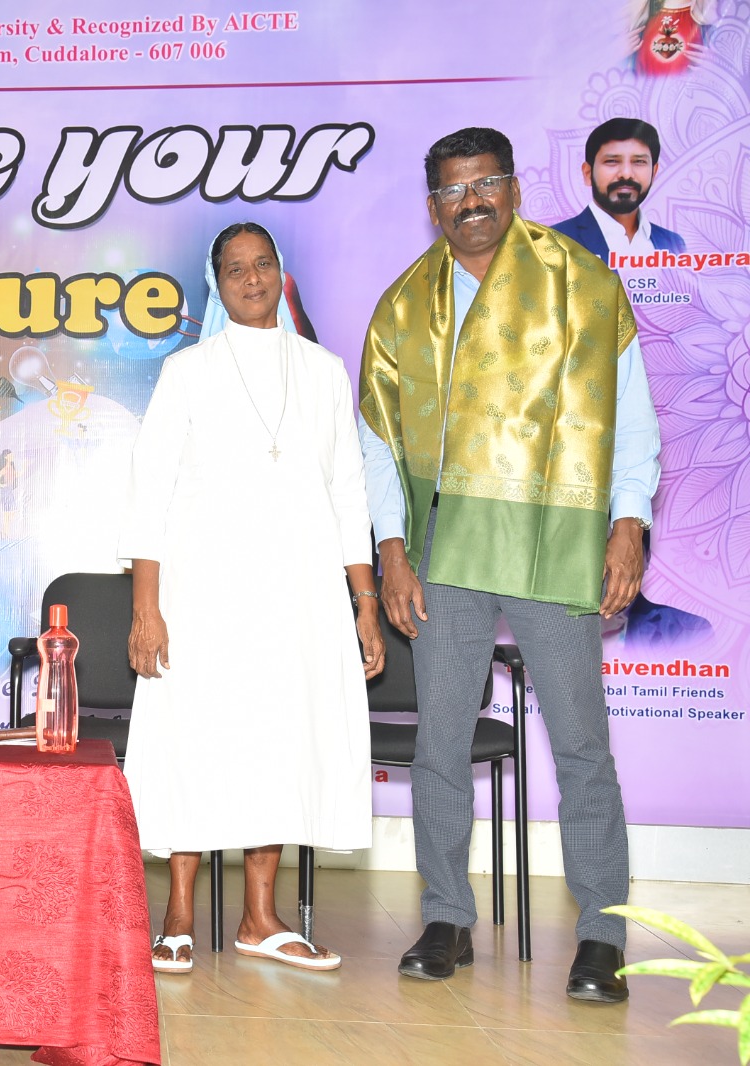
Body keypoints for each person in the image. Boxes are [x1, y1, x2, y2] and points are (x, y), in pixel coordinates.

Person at [359, 127, 661, 1002]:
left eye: (486, 183)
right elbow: (378, 443)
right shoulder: (403, 305)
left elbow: (631, 418)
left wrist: (630, 524)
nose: (473, 202)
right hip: (446, 550)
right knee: (440, 744)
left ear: (515, 188)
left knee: (581, 745)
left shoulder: (583, 283)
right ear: (434, 207)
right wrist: (392, 552)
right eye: (454, 191)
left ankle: (601, 933)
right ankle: (446, 918)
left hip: (554, 539)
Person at [121, 222, 385, 974]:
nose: (251, 278)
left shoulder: (324, 371)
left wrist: (364, 600)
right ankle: (177, 915)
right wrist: (146, 607)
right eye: (234, 268)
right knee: (194, 738)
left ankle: (260, 919)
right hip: (202, 593)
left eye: (262, 263)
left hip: (299, 596)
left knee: (280, 740)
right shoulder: (188, 371)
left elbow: (347, 488)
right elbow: (148, 493)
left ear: (280, 271)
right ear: (218, 283)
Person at [552, 117, 686, 261]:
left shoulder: (673, 243)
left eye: (639, 161)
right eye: (612, 161)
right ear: (588, 173)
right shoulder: (555, 242)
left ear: (654, 173)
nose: (626, 174)